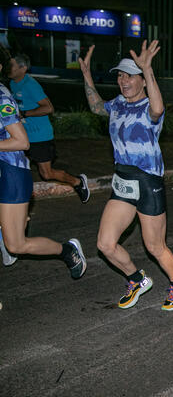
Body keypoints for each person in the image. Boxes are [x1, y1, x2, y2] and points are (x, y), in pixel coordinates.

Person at [79, 41, 173, 311]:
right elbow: (95, 107)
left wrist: (148, 69)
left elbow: (159, 109)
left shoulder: (150, 108)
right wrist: (86, 74)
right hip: (124, 181)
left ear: (142, 80)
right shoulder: (116, 104)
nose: (123, 80)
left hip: (148, 181)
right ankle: (137, 279)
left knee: (155, 246)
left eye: (130, 75)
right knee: (105, 244)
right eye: (120, 75)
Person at [0, 48, 86, 279]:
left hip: (11, 174)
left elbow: (21, 141)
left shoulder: (2, 97)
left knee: (16, 245)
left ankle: (67, 251)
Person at [8, 54, 90, 203]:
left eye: (12, 65)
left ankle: (78, 182)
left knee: (46, 174)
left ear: (23, 68)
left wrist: (24, 114)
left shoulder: (30, 85)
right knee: (15, 165)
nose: (9, 68)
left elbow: (49, 108)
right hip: (23, 135)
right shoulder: (12, 84)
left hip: (40, 136)